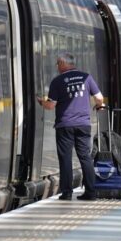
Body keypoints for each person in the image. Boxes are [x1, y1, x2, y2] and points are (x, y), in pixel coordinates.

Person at [37, 54, 104, 201]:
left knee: (65, 159)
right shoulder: (86, 77)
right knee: (85, 158)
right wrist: (98, 106)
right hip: (83, 125)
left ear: (62, 63)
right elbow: (99, 98)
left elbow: (51, 105)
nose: (57, 66)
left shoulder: (57, 81)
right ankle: (91, 192)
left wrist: (41, 102)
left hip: (65, 126)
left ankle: (67, 193)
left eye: (57, 64)